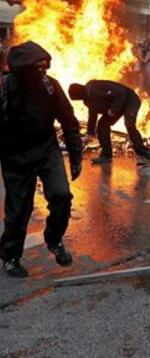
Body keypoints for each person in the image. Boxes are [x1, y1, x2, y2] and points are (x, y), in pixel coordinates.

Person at [0, 41, 82, 277]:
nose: (44, 73)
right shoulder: (4, 88)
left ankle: (54, 240)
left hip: (46, 150)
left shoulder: (50, 86)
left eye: (46, 68)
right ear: (21, 69)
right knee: (17, 211)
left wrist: (76, 157)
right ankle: (10, 256)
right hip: (15, 156)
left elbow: (69, 121)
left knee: (62, 195)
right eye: (38, 69)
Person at [69, 80, 150, 166]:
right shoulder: (87, 100)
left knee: (129, 124)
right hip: (116, 104)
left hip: (129, 100)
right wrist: (90, 133)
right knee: (102, 125)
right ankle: (106, 155)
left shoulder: (95, 88)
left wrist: (113, 110)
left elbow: (121, 93)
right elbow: (92, 114)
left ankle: (144, 155)